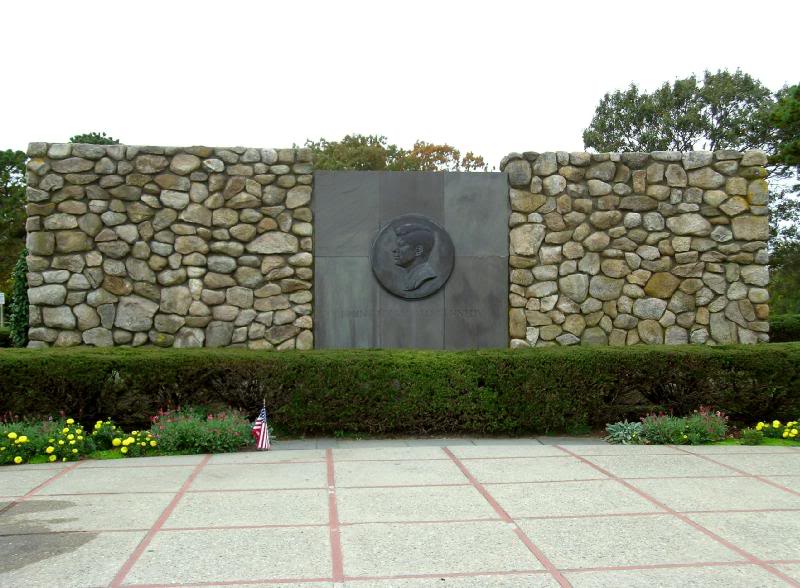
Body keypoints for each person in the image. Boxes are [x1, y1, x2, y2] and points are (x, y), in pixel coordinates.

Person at [392, 223, 438, 291]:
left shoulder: (424, 276)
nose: (394, 250)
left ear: (418, 250)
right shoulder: (412, 277)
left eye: (401, 245)